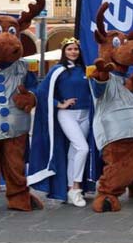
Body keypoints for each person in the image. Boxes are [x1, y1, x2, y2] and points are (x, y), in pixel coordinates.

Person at [28, 37, 100, 207]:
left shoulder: (86, 70)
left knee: (74, 152)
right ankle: (75, 188)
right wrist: (59, 104)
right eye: (69, 49)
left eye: (75, 49)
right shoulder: (57, 70)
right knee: (83, 148)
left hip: (85, 114)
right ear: (64, 52)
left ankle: (69, 189)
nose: (73, 52)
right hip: (67, 115)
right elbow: (42, 91)